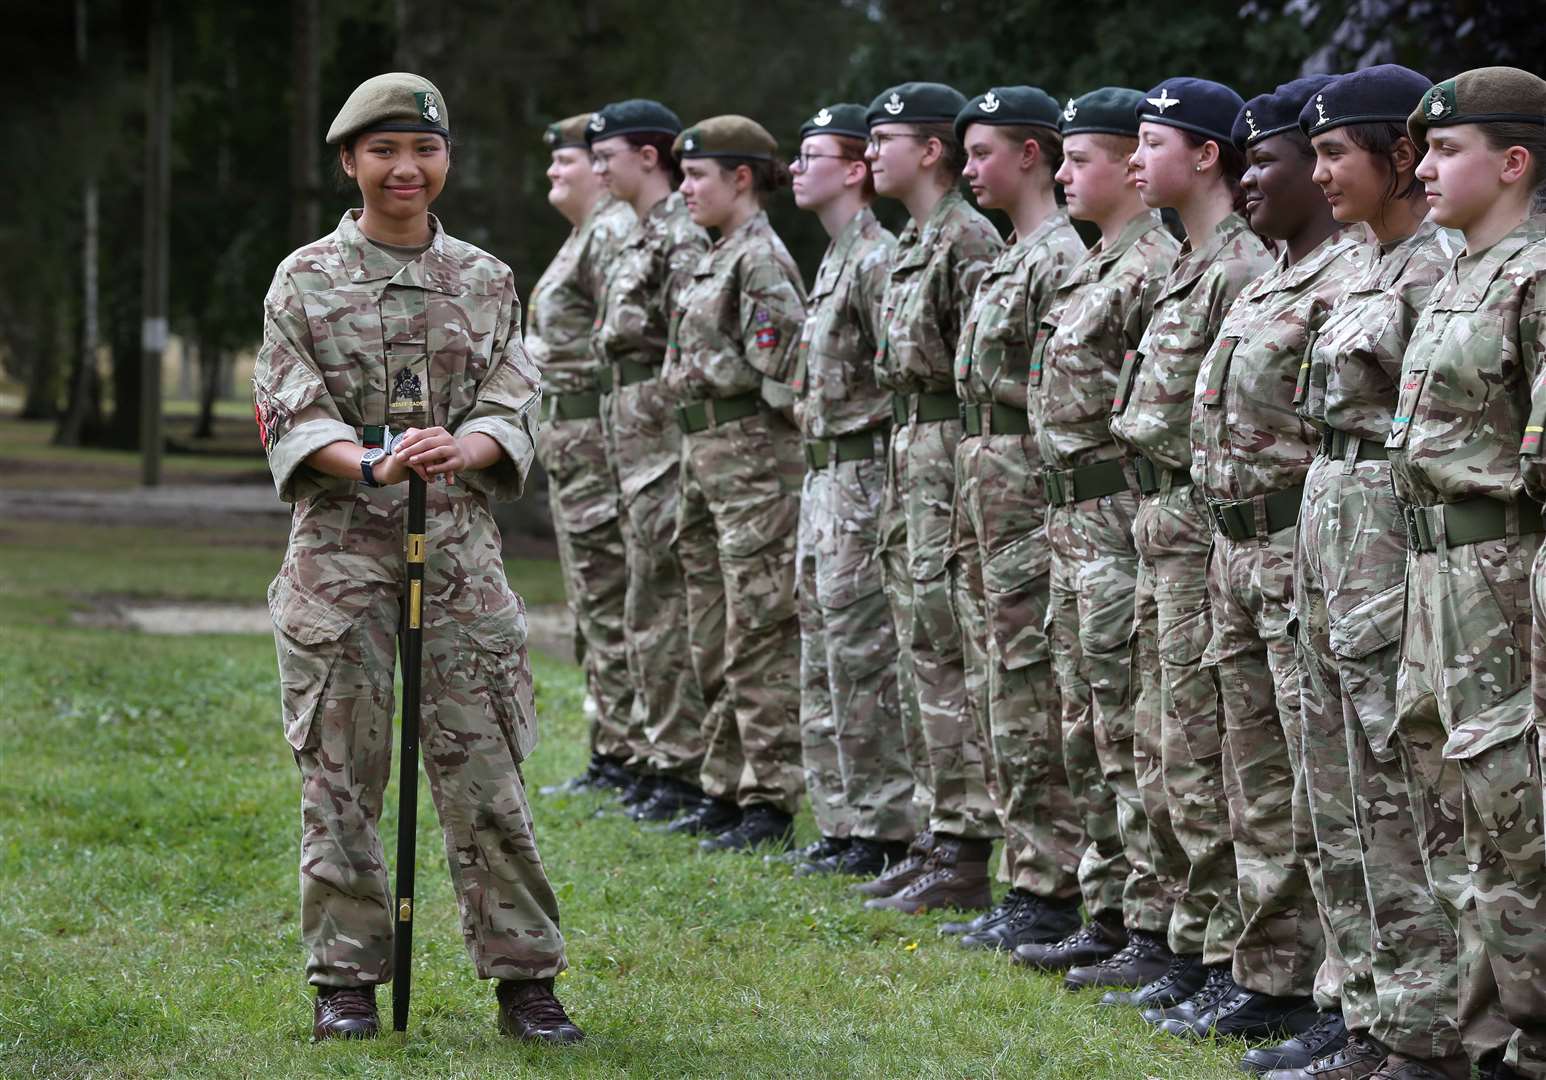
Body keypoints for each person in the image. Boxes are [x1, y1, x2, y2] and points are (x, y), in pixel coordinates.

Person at [254, 72, 581, 1044]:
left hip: (463, 559)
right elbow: (287, 404)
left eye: (424, 150)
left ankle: (526, 981)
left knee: (487, 775)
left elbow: (513, 399)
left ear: (445, 160)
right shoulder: (302, 279)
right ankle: (344, 983)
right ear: (350, 162)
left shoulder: (486, 281)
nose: (407, 168)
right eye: (385, 151)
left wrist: (467, 447)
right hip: (342, 560)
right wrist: (370, 459)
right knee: (342, 778)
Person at [1280, 65, 1498, 1080]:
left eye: (1334, 153)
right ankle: (1365, 1008)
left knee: (1407, 803)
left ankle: (1427, 1029)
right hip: (1333, 559)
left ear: (1399, 158)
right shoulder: (1363, 266)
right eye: (1314, 154)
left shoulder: (1436, 275)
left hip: (1397, 569)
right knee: (1340, 797)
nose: (1318, 172)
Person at [1156, 75, 1366, 1049]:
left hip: (1300, 555)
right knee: (1253, 778)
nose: (1249, 180)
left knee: (1321, 781)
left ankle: (1337, 992)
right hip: (1233, 552)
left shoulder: (1351, 280)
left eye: (1269, 162)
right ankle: (1270, 971)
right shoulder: (1275, 276)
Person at [1105, 77, 1269, 1014]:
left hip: (1202, 527)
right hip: (1158, 524)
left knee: (1203, 749)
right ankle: (1187, 937)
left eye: (1151, 142)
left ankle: (1221, 955)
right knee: (1165, 744)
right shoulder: (1185, 264)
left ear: (1205, 154)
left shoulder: (1238, 267)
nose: (1134, 160)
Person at [1011, 85, 1181, 976]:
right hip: (1070, 520)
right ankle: (1108, 906)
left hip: (1115, 516)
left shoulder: (1155, 267)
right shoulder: (1096, 263)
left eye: (1083, 160)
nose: (1067, 173)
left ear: (1130, 167)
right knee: (1086, 722)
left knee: (1126, 720)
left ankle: (1150, 921)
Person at [1401, 66, 1546, 1080]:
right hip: (1431, 573)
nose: (1422, 168)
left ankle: (1530, 1044)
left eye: (1444, 150)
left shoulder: (1536, 277)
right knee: (1445, 807)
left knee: (1512, 814)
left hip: (1500, 569)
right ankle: (1479, 1035)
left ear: (1512, 161)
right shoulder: (1454, 275)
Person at [941, 86, 1089, 952]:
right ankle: (1028, 869)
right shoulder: (1012, 252)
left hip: (1027, 493)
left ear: (1031, 154)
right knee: (1000, 680)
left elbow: (1057, 399)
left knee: (1031, 682)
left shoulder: (1058, 257)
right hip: (985, 489)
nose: (969, 169)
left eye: (984, 151)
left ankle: (1050, 880)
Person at [855, 81, 1005, 914]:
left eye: (886, 140)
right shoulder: (920, 239)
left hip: (949, 454)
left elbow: (978, 373)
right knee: (921, 644)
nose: (871, 155)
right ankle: (940, 830)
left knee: (950, 644)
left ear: (931, 150)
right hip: (911, 452)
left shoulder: (967, 240)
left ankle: (967, 846)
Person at [663, 115, 809, 852]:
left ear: (741, 179)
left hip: (750, 459)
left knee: (758, 627)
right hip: (705, 453)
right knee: (712, 625)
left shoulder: (760, 260)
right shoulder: (716, 254)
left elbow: (784, 375)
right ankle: (723, 781)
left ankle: (769, 796)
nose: (684, 188)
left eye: (697, 176)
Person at [785, 102, 916, 876]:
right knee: (826, 645)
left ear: (857, 170)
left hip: (864, 473)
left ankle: (882, 824)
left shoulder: (877, 258)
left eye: (813, 156)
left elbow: (899, 378)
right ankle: (840, 817)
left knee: (863, 648)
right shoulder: (837, 255)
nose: (798, 170)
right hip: (824, 471)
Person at [585, 100, 715, 826]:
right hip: (633, 446)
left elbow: (687, 344)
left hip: (665, 447)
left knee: (668, 607)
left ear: (649, 156)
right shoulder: (640, 234)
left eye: (609, 153)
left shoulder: (680, 236)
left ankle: (682, 766)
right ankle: (658, 758)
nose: (597, 166)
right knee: (643, 607)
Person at [526, 114, 637, 796]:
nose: (554, 173)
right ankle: (613, 749)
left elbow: (621, 341)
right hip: (574, 446)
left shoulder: (612, 233)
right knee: (594, 605)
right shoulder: (585, 237)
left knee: (610, 600)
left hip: (600, 445)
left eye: (565, 161)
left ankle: (626, 755)